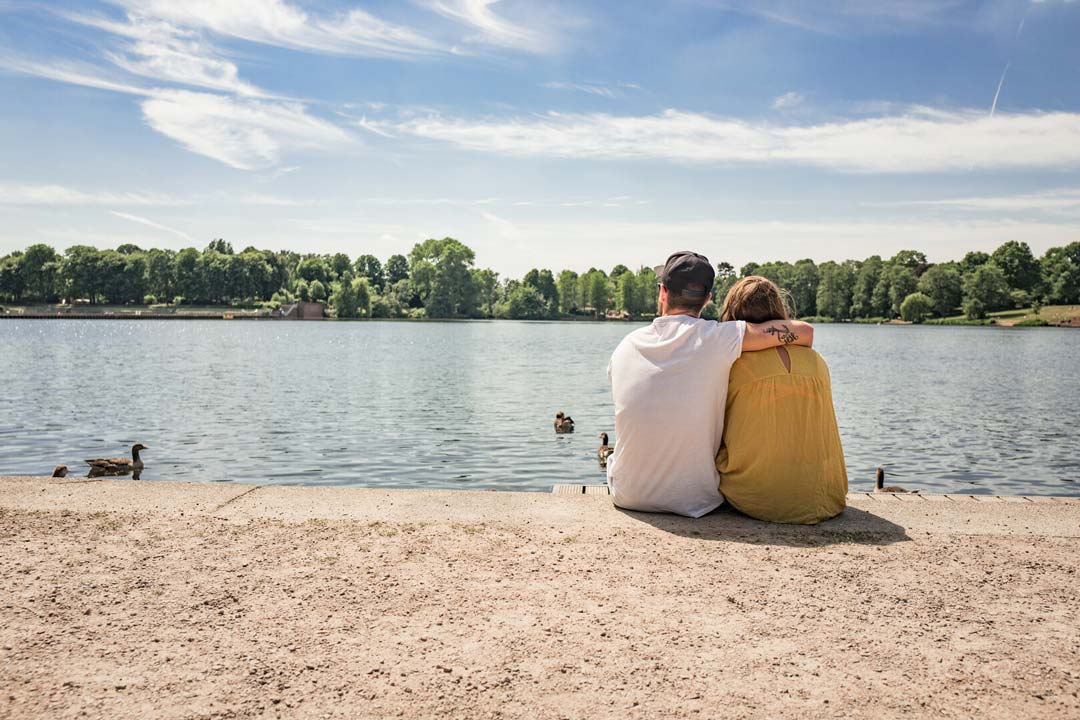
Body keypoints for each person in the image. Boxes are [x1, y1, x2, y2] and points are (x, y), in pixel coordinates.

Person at [606, 252, 816, 518]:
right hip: (695, 500)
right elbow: (805, 331)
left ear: (662, 292)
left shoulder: (626, 345)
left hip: (628, 495)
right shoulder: (719, 338)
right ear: (707, 299)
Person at [715, 276, 847, 524]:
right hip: (827, 497)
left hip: (756, 497)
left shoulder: (732, 366)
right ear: (779, 309)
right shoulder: (817, 362)